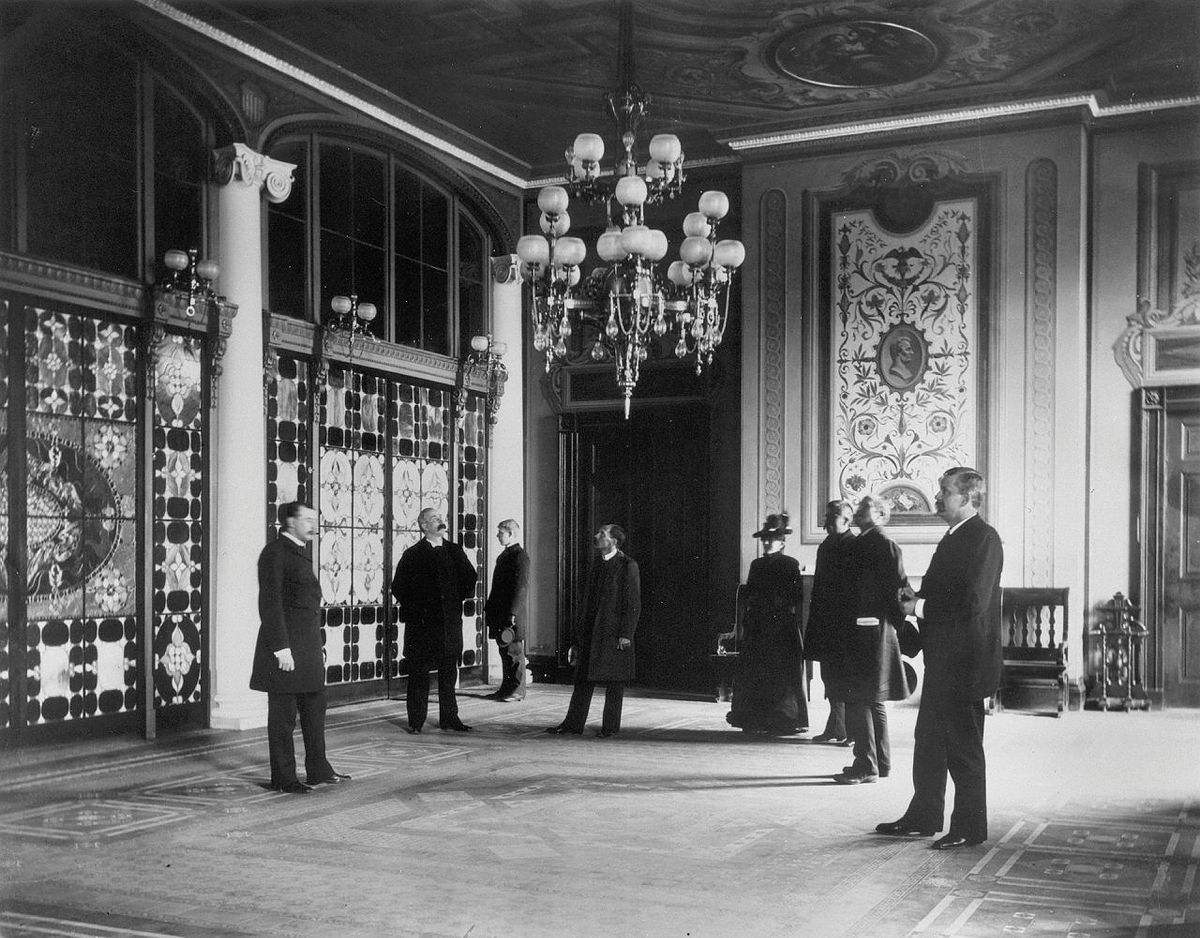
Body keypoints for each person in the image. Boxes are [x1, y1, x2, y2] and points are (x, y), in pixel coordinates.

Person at [876, 467, 1003, 849]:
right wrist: (910, 601)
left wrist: (920, 606)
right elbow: (940, 594)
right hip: (945, 661)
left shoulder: (983, 538)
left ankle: (969, 827)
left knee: (963, 747)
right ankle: (924, 815)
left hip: (965, 663)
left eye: (945, 491)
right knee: (929, 740)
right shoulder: (954, 537)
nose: (938, 497)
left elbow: (973, 602)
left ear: (966, 498)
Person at [250, 502, 349, 793]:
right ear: (290, 522)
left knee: (315, 708)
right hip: (286, 649)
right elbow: (270, 602)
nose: (312, 525)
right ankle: (284, 778)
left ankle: (318, 769)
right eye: (306, 519)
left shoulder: (297, 552)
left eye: (313, 519)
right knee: (282, 717)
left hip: (306, 648)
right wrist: (281, 649)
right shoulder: (275, 553)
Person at [835, 495, 910, 784]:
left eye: (865, 506)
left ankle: (866, 765)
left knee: (859, 697)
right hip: (872, 630)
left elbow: (899, 588)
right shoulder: (866, 542)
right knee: (873, 698)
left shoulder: (880, 543)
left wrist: (888, 623)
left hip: (867, 632)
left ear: (880, 514)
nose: (857, 509)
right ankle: (882, 762)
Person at [546, 524, 640, 738]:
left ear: (614, 541)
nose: (596, 535)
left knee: (615, 682)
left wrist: (626, 634)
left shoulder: (627, 565)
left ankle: (610, 727)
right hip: (591, 632)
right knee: (583, 679)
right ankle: (572, 724)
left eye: (602, 534)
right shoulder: (596, 564)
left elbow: (633, 603)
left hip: (613, 634)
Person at [391, 507, 479, 734]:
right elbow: (398, 587)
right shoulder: (412, 554)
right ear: (423, 526)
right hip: (422, 627)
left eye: (440, 518)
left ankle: (450, 718)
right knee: (419, 675)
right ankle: (416, 721)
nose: (440, 521)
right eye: (434, 519)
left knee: (449, 673)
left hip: (449, 625)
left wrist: (454, 599)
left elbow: (470, 578)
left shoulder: (454, 551)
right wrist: (418, 610)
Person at [726, 513, 808, 735]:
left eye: (771, 540)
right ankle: (755, 719)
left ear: (782, 542)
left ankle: (782, 719)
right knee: (756, 672)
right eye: (764, 540)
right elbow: (751, 592)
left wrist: (774, 603)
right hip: (759, 626)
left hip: (781, 627)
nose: (767, 543)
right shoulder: (757, 565)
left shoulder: (790, 564)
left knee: (780, 673)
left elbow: (796, 596)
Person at [805, 500, 857, 745]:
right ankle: (836, 725)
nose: (826, 522)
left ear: (846, 520)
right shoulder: (827, 545)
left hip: (844, 626)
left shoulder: (853, 545)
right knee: (829, 675)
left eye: (831, 517)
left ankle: (849, 728)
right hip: (825, 622)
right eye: (826, 516)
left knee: (845, 677)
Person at [483, 519, 530, 702]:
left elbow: (521, 588)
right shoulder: (506, 556)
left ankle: (518, 690)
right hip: (501, 613)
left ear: (511, 534)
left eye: (501, 533)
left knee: (515, 653)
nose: (497, 536)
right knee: (505, 652)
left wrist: (512, 613)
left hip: (511, 614)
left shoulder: (519, 556)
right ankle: (506, 688)